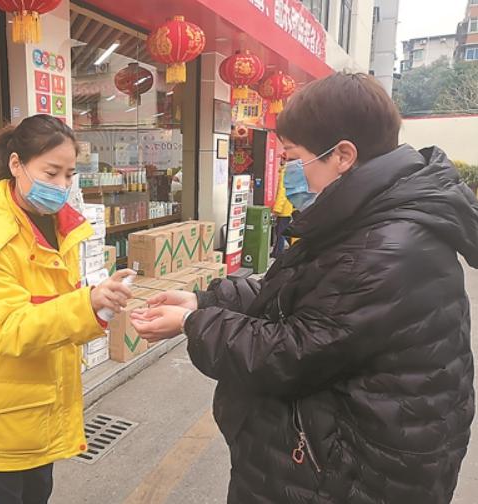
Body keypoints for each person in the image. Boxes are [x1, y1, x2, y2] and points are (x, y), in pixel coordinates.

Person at [131, 73, 478, 504]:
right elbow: (303, 293)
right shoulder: (372, 217)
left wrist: (192, 322)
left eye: (294, 159)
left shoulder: (384, 247)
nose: (289, 174)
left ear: (343, 156)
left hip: (348, 476)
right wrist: (205, 299)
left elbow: (291, 353)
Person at [0, 114, 133, 504]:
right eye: (51, 173)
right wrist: (87, 305)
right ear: (16, 164)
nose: (62, 185)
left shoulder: (58, 226)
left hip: (42, 409)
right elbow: (9, 328)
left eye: (69, 175)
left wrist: (96, 303)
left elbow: (52, 309)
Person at [271, 156, 294, 258]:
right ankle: (277, 251)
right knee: (282, 231)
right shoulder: (288, 172)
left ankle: (278, 253)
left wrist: (277, 209)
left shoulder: (285, 173)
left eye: (282, 158)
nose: (280, 160)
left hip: (284, 209)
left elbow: (282, 192)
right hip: (287, 207)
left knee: (280, 232)